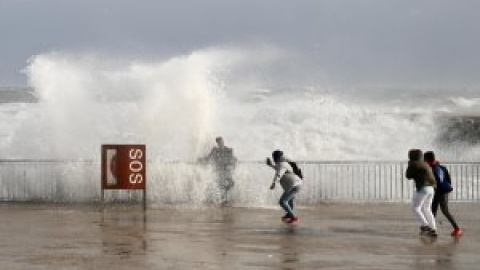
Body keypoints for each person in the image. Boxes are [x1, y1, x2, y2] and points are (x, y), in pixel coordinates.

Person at [424, 151, 462, 236]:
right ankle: (432, 229)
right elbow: (448, 179)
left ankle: (457, 229)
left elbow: (434, 182)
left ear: (427, 160)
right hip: (442, 191)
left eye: (424, 160)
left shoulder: (432, 169)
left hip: (440, 192)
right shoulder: (441, 167)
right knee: (433, 210)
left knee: (443, 211)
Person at [405, 149, 438, 237]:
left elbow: (408, 176)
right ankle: (433, 229)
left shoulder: (414, 164)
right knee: (427, 208)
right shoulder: (425, 163)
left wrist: (409, 165)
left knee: (415, 208)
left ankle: (425, 226)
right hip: (432, 189)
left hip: (423, 188)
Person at [266, 150, 303, 224]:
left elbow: (279, 174)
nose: (273, 159)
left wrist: (274, 183)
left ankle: (294, 217)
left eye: (274, 157)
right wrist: (270, 165)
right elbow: (278, 168)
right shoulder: (282, 164)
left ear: (275, 158)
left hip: (294, 186)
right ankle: (289, 214)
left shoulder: (282, 164)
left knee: (282, 202)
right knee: (289, 201)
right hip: (294, 185)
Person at [200, 136, 238, 204]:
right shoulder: (215, 150)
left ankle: (225, 198)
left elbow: (234, 159)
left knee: (231, 183)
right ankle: (223, 200)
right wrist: (202, 160)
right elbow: (208, 158)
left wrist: (233, 166)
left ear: (223, 141)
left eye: (221, 142)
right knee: (221, 185)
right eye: (219, 142)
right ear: (217, 143)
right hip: (218, 171)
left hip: (226, 170)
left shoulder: (229, 150)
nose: (221, 143)